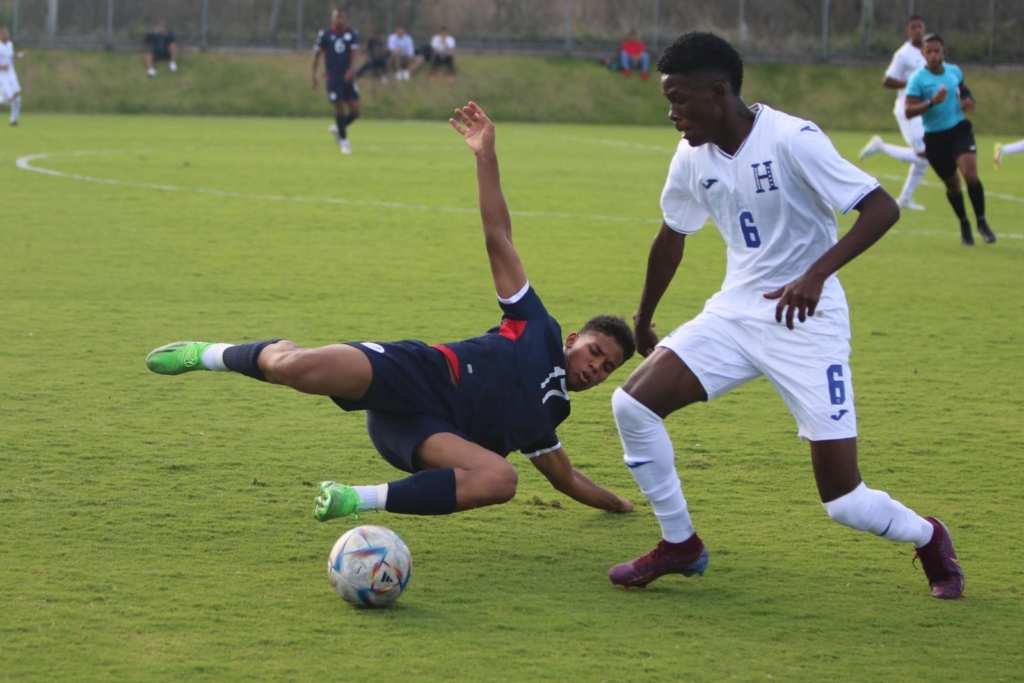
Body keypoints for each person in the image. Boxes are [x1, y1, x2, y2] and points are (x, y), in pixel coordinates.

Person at [145, 101, 636, 522]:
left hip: (420, 433)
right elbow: (498, 237)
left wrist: (624, 508)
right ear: (573, 339)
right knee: (299, 367)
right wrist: (486, 156)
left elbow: (567, 479)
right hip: (417, 372)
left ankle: (353, 499)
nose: (596, 367)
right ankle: (207, 353)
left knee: (500, 479)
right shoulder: (537, 328)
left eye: (608, 367)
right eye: (595, 352)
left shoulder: (549, 417)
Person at [605, 32, 964, 600]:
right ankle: (681, 544)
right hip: (735, 314)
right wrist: (644, 316)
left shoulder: (794, 139)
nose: (671, 114)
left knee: (844, 502)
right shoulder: (690, 156)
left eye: (680, 99)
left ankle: (928, 536)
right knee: (632, 405)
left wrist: (816, 274)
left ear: (718, 92)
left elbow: (881, 207)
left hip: (807, 324)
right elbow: (671, 237)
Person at [905, 34, 995, 246]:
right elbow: (908, 111)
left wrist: (967, 100)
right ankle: (964, 223)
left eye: (938, 51)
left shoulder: (954, 71)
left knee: (970, 175)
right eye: (930, 51)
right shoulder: (918, 79)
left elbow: (963, 88)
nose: (934, 55)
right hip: (935, 138)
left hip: (959, 130)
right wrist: (931, 102)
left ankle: (982, 222)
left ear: (944, 52)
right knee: (953, 186)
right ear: (923, 54)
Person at [858, 15, 929, 211]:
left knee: (923, 158)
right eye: (913, 27)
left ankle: (906, 198)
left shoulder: (928, 50)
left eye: (920, 27)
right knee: (925, 155)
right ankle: (881, 147)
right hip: (907, 110)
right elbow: (887, 80)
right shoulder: (903, 54)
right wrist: (912, 84)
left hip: (923, 110)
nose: (917, 30)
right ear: (908, 31)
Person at [312, 8, 360, 155]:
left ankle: (338, 128)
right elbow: (317, 55)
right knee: (338, 106)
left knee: (356, 111)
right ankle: (344, 142)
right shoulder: (325, 35)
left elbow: (354, 53)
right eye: (337, 16)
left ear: (345, 18)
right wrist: (313, 75)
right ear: (332, 18)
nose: (339, 19)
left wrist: (352, 69)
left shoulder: (351, 34)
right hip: (332, 77)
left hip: (347, 77)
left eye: (342, 16)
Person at [0, 26, 25, 126]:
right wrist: (1, 67)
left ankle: (13, 120)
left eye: (7, 33)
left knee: (17, 98)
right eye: (4, 33)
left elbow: (11, 57)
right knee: (10, 98)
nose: (6, 35)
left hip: (11, 74)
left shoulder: (10, 44)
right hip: (2, 76)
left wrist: (21, 55)